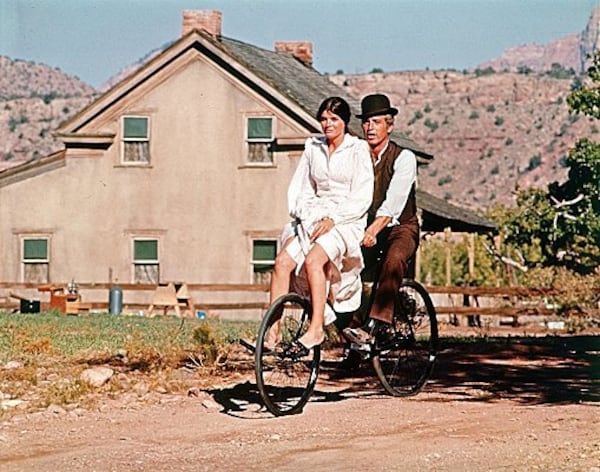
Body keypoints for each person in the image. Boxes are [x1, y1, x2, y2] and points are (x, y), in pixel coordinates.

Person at [267, 96, 374, 354]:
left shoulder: (357, 149)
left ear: (345, 122)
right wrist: (308, 214)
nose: (328, 124)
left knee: (315, 260)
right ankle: (272, 333)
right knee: (282, 263)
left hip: (345, 220)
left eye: (334, 119)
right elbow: (301, 189)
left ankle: (316, 330)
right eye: (324, 119)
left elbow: (362, 195)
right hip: (313, 217)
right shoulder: (312, 147)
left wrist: (333, 219)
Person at [342, 93, 420, 355]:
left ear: (390, 125)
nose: (370, 128)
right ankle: (352, 336)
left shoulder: (403, 158)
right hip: (366, 228)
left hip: (400, 227)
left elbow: (394, 202)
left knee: (394, 258)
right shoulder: (358, 156)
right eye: (366, 122)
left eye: (376, 122)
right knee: (341, 266)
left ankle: (376, 323)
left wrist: (374, 230)